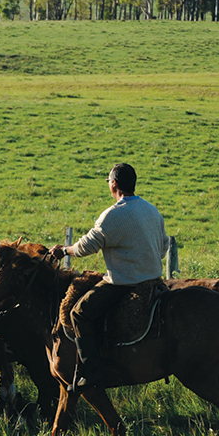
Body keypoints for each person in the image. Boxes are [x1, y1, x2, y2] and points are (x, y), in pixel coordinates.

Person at [48, 163, 169, 390]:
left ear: (113, 184)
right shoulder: (152, 210)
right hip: (154, 281)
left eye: (109, 182)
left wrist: (64, 250)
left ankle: (91, 373)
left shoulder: (112, 216)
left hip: (124, 283)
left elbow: (86, 247)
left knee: (79, 313)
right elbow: (163, 248)